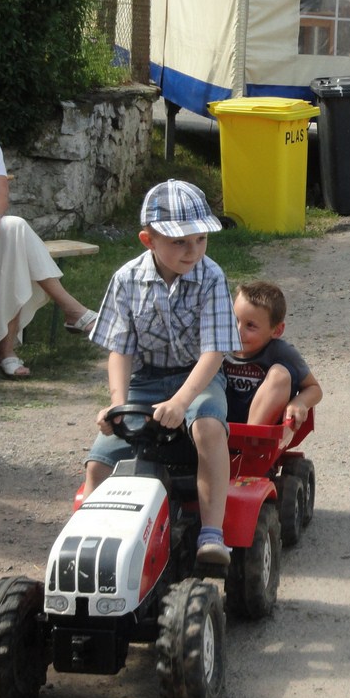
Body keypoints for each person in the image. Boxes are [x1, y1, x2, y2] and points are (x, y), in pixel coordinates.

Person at [83, 179, 240, 565]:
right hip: (146, 380)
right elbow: (120, 350)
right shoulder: (126, 280)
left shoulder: (211, 277)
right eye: (180, 242)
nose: (193, 251)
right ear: (148, 240)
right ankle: (94, 545)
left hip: (198, 377)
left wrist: (182, 401)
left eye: (201, 239)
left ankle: (211, 533)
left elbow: (214, 352)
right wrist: (117, 405)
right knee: (98, 462)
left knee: (208, 427)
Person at [0, 63, 96, 377]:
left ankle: (7, 352)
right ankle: (68, 311)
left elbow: (1, 192)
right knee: (15, 232)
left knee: (12, 243)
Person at [225, 280, 322, 428]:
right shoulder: (221, 347)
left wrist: (299, 401)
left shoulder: (280, 352)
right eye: (235, 320)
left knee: (280, 374)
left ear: (277, 331)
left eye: (250, 325)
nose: (238, 331)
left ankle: (250, 438)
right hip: (221, 420)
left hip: (262, 426)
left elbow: (314, 388)